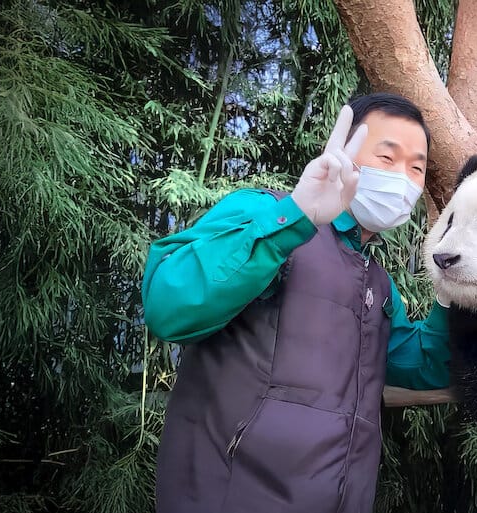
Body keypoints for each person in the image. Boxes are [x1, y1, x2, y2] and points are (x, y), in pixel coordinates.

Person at [142, 92, 452, 513]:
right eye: (387, 157)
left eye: (416, 168)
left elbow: (418, 363)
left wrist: (453, 295)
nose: (402, 178)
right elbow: (168, 305)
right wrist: (295, 216)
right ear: (345, 152)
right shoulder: (265, 212)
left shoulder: (377, 283)